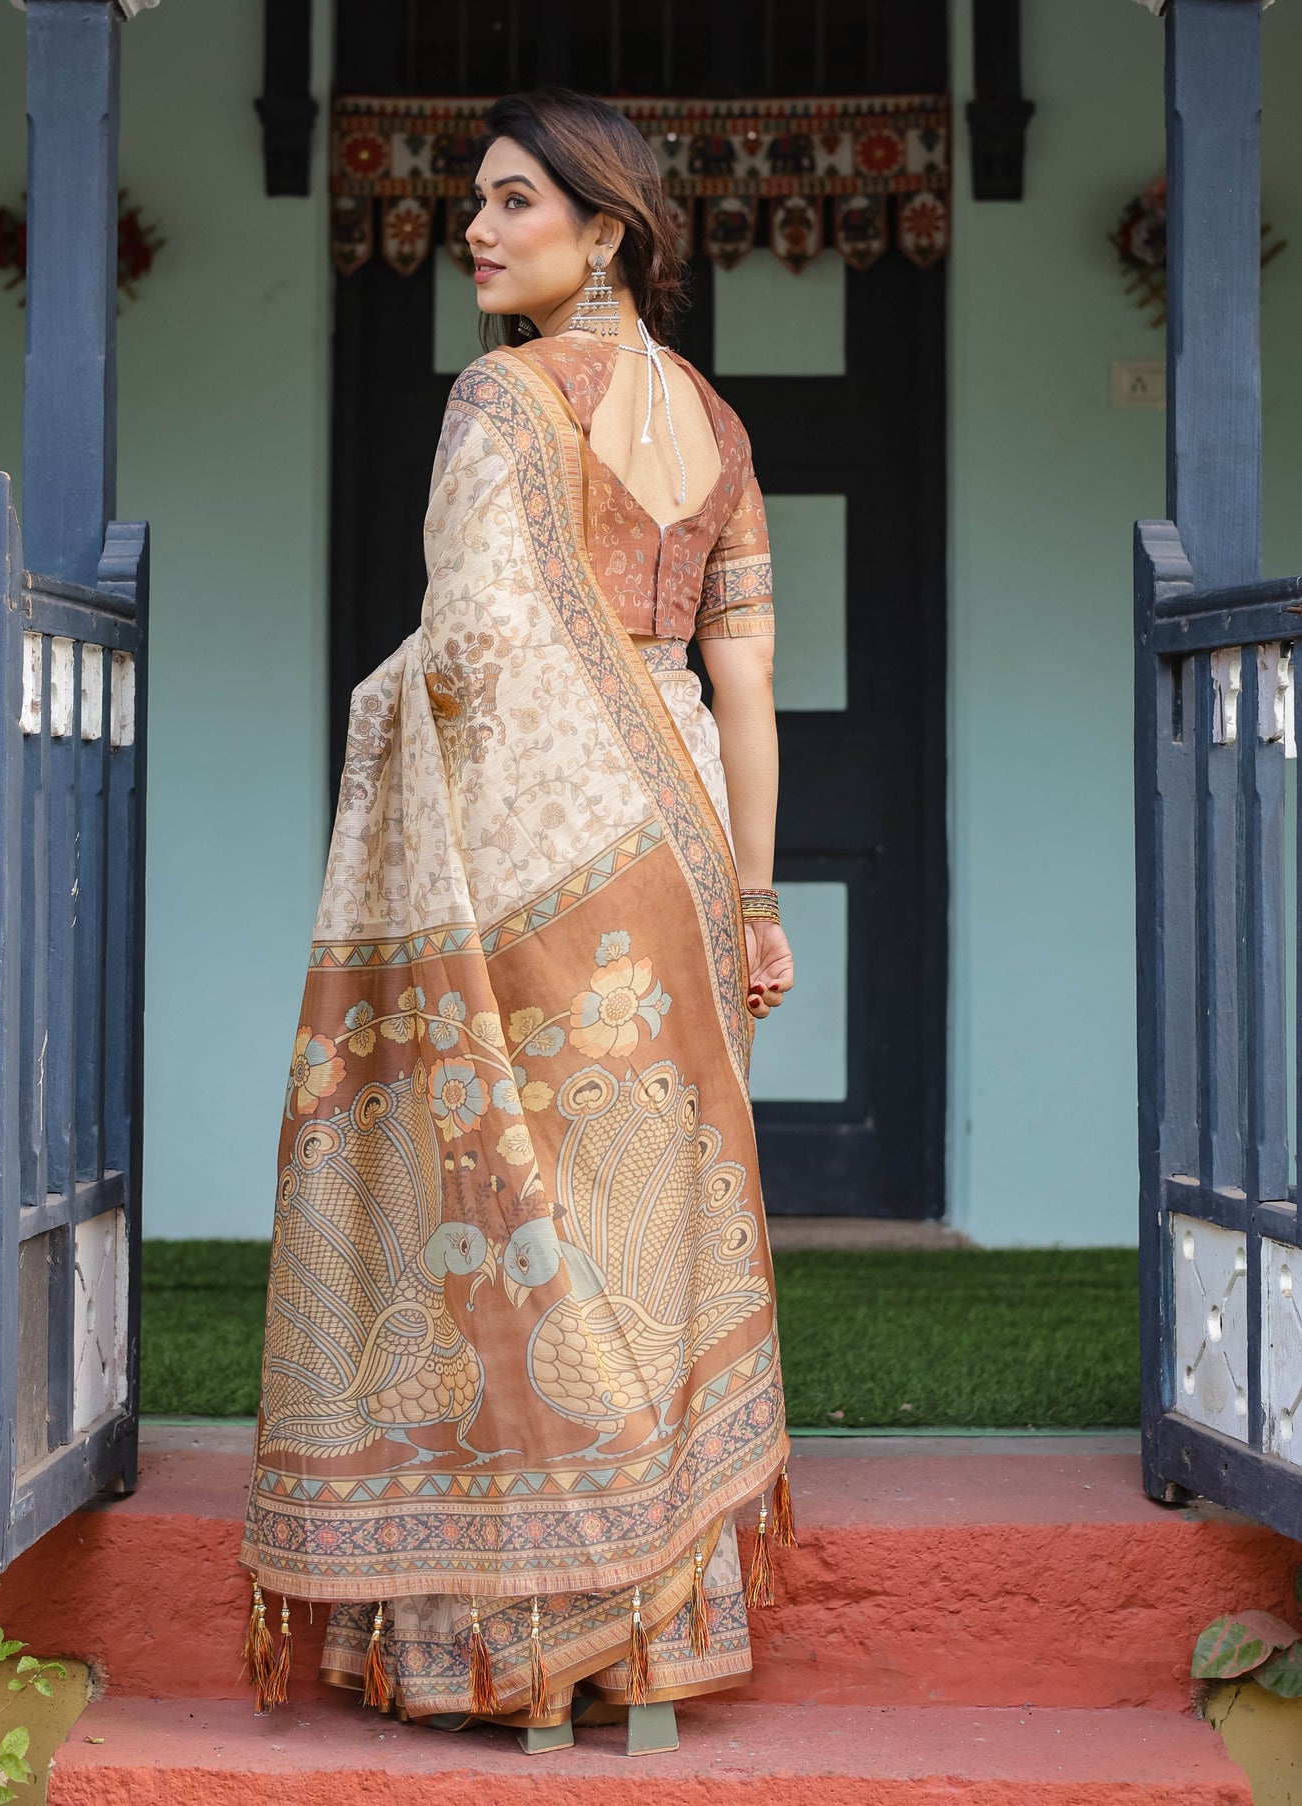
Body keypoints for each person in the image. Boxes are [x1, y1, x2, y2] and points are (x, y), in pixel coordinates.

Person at [239, 86, 797, 1753]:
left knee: (512, 1213)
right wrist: (753, 896)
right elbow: (748, 679)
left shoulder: (495, 399)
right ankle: (644, 1649)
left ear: (603, 227)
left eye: (511, 203)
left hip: (536, 855)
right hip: (680, 843)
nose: (473, 229)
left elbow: (470, 653)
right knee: (645, 1229)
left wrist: (392, 746)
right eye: (471, 202)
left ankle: (510, 1654)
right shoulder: (714, 423)